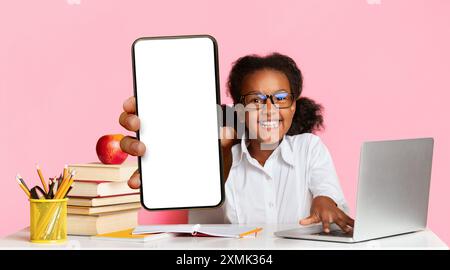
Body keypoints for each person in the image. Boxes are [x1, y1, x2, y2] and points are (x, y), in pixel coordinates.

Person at [119, 52, 354, 233]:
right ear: (239, 110)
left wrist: (325, 202)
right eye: (256, 100)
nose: (269, 109)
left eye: (281, 98)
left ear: (293, 105)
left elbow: (326, 191)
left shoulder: (309, 148)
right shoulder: (220, 157)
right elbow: (202, 230)